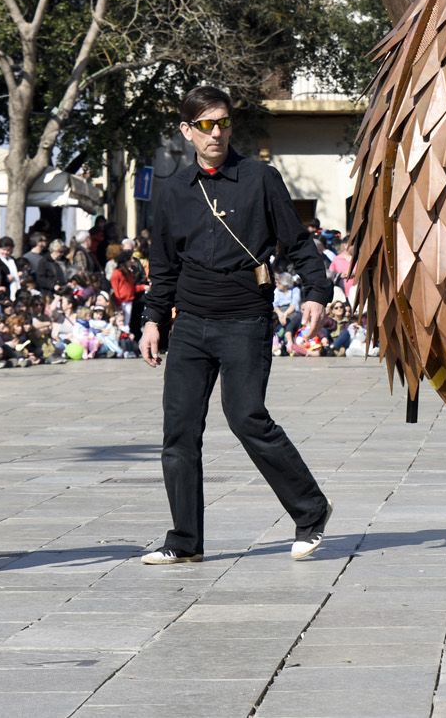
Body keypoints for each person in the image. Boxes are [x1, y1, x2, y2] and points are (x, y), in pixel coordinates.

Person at [138, 86, 334, 566]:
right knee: (179, 431)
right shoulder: (172, 191)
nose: (216, 133)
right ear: (187, 131)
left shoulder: (259, 178)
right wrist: (152, 320)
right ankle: (185, 539)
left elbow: (296, 242)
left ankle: (311, 510)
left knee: (247, 417)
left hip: (245, 318)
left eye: (223, 123)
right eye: (206, 125)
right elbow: (163, 266)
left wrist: (315, 292)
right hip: (190, 324)